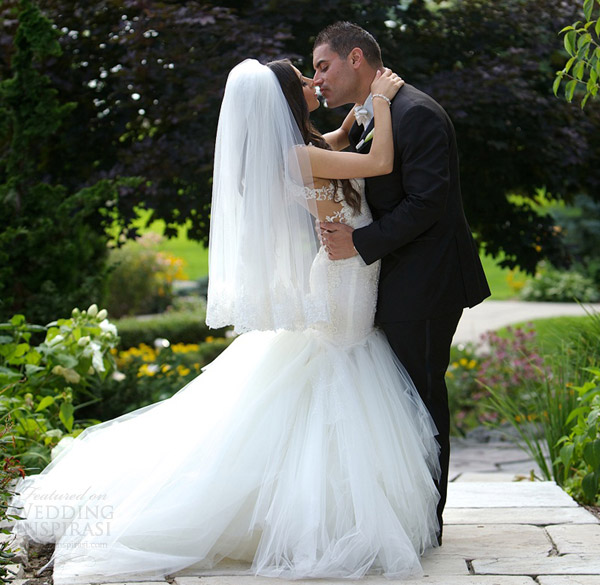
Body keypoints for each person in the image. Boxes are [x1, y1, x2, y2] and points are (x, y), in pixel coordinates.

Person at [12, 59, 440, 583]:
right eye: (304, 81)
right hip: (343, 276)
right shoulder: (296, 155)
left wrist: (350, 122)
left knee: (332, 371)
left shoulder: (299, 148)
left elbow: (333, 144)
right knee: (341, 366)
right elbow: (376, 164)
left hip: (344, 268)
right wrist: (378, 100)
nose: (314, 83)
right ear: (285, 99)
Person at [313, 22, 491, 543]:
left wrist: (359, 245)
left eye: (323, 66)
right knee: (399, 401)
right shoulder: (374, 115)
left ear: (356, 59)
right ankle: (404, 514)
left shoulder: (416, 114)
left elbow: (427, 203)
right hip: (396, 281)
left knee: (421, 399)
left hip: (427, 284)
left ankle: (426, 525)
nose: (318, 78)